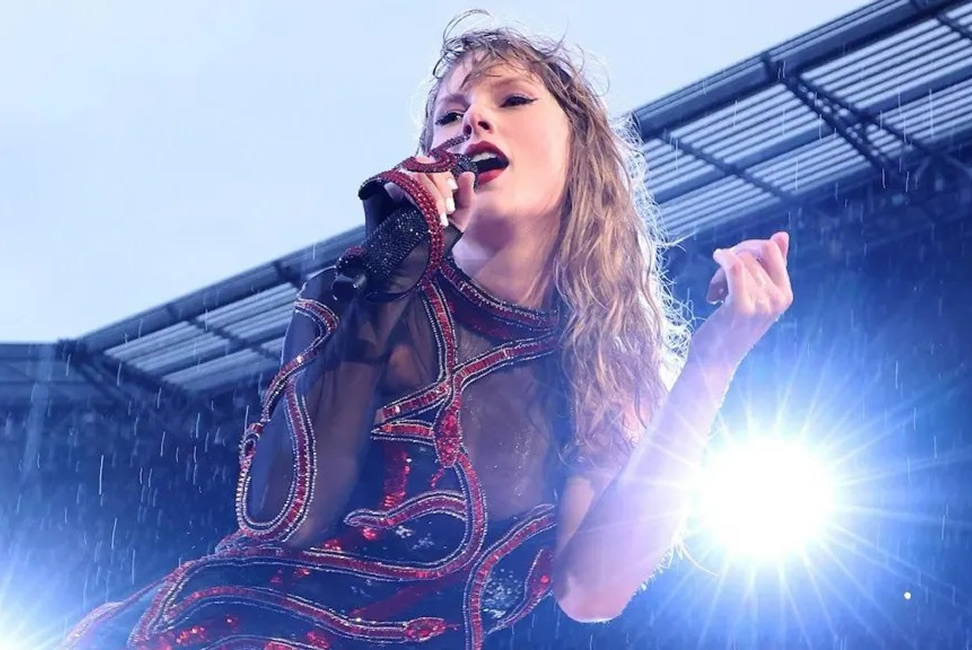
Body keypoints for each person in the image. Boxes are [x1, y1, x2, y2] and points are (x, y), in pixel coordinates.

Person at [61, 13, 793, 650]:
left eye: (512, 100)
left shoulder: (598, 368)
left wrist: (715, 358)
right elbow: (283, 520)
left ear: (582, 151)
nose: (474, 121)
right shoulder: (355, 291)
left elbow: (592, 592)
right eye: (449, 115)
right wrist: (387, 279)